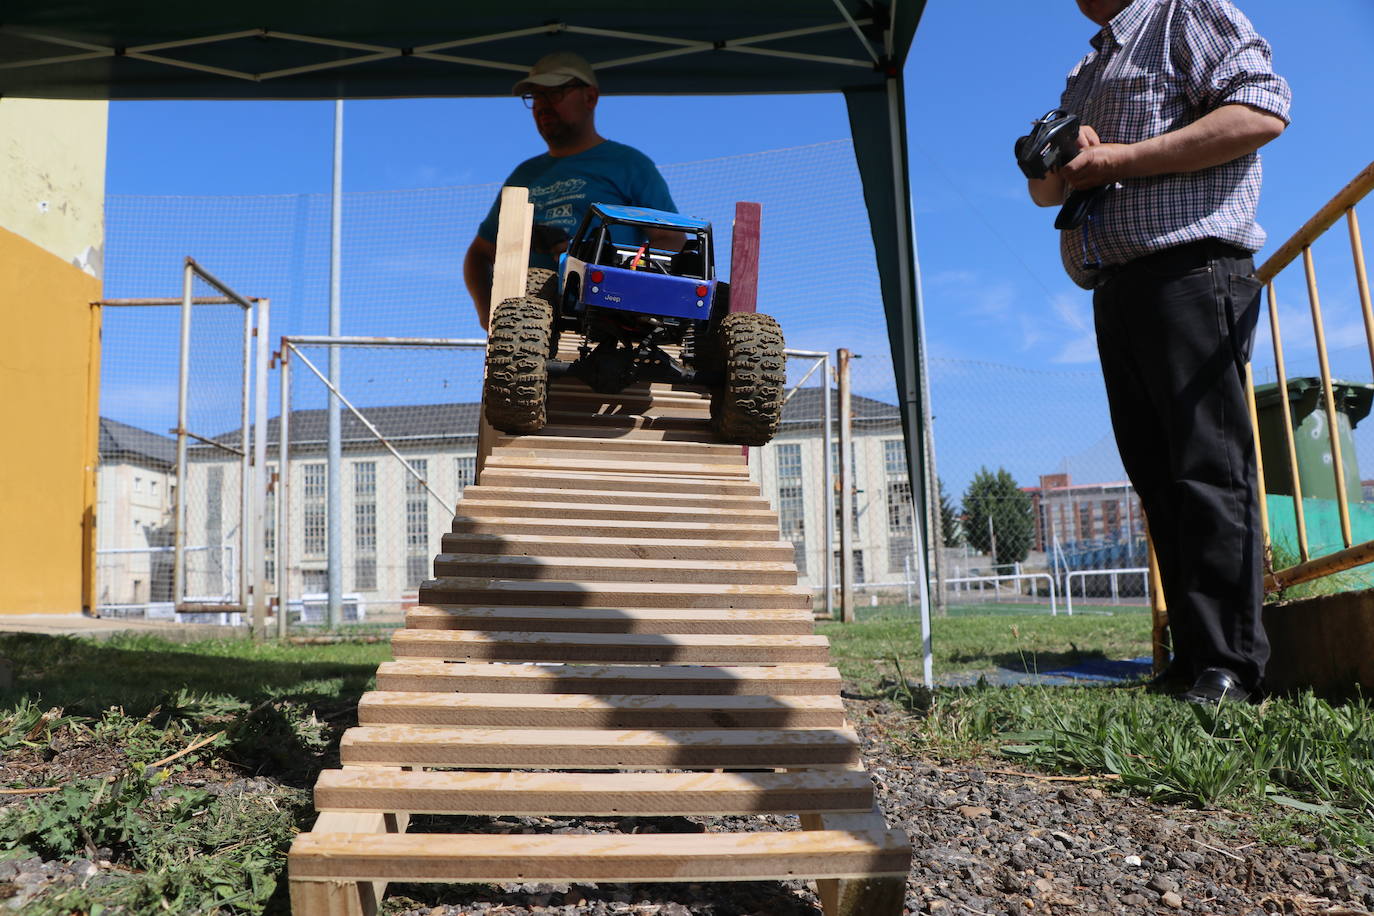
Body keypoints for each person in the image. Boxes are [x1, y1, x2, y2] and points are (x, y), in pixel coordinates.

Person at [1028, 0, 1291, 704]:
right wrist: (1051, 154)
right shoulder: (1089, 64)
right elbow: (1044, 189)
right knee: (1159, 478)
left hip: (1191, 268)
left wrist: (1118, 158)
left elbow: (1260, 111)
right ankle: (1192, 659)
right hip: (1118, 285)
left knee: (1208, 468)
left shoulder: (1183, 11)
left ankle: (1232, 666)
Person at [463, 51, 680, 330]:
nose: (542, 105)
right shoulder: (524, 174)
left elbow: (672, 239)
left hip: (609, 328)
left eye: (554, 93)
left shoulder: (628, 164)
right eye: (535, 96)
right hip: (527, 333)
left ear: (590, 97)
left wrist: (620, 278)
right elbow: (479, 254)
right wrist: (488, 315)